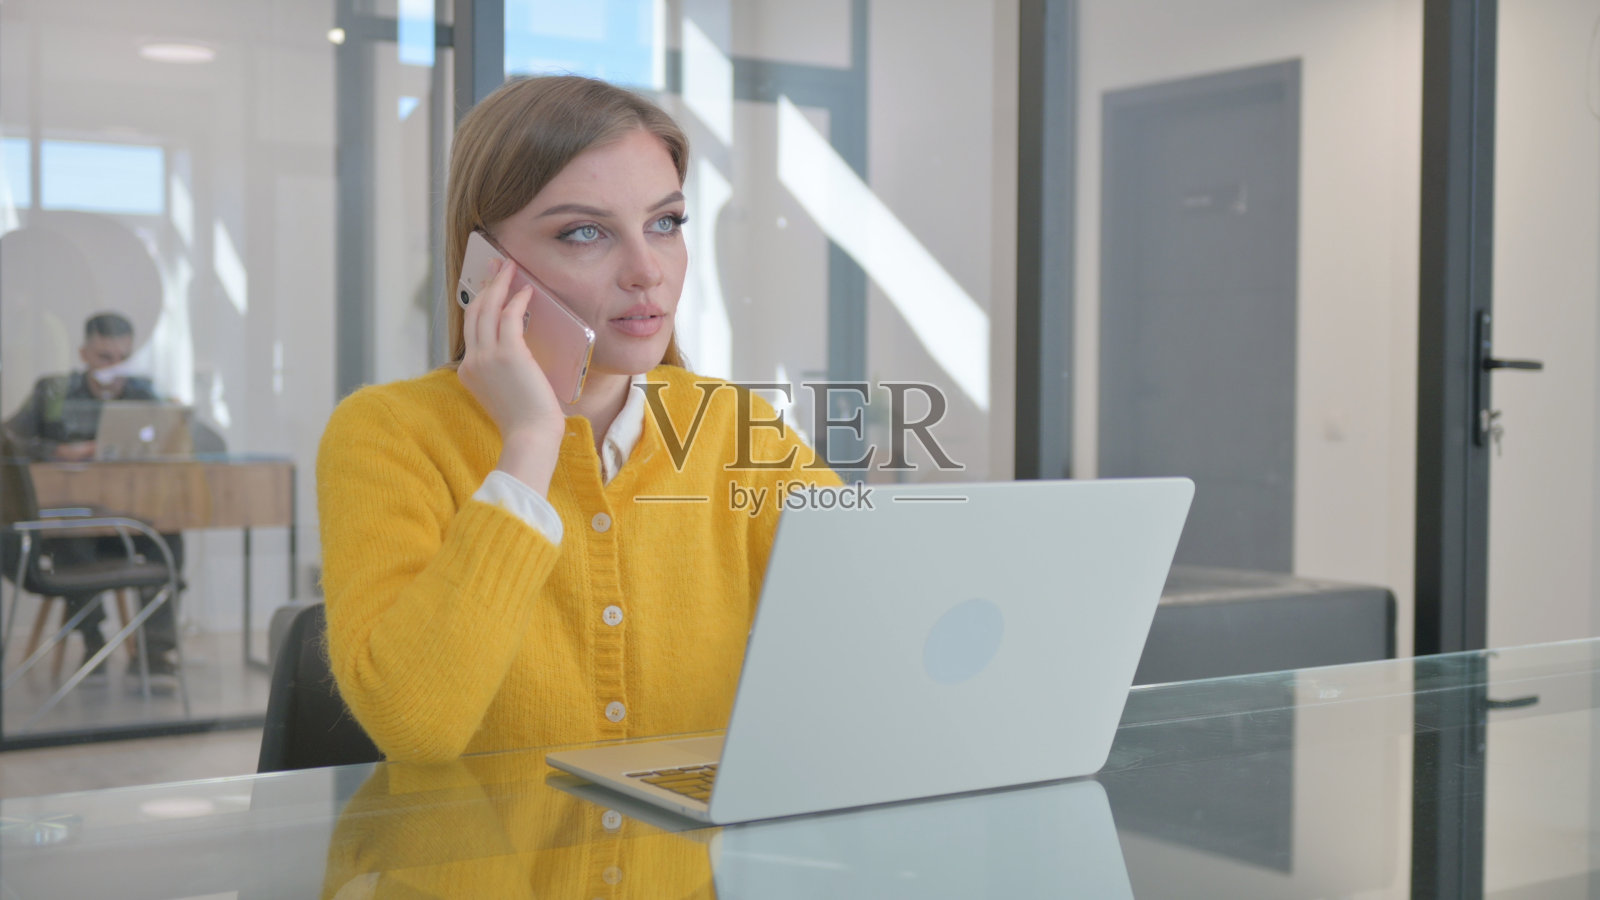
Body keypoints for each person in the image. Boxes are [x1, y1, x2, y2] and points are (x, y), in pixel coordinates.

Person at [317, 75, 840, 762]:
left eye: (666, 223)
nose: (647, 271)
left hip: (694, 869)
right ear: (486, 263)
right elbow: (418, 725)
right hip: (470, 869)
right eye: (585, 232)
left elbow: (877, 625)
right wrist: (530, 444)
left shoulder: (736, 427)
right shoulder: (386, 436)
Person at [4, 312, 185, 681]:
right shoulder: (54, 393)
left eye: (123, 358)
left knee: (169, 536)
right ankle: (93, 642)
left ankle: (155, 651)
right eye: (105, 358)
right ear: (84, 353)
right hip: (73, 527)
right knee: (74, 535)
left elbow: (178, 438)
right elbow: (9, 438)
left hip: (129, 521)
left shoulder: (143, 393)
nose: (114, 368)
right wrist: (58, 451)